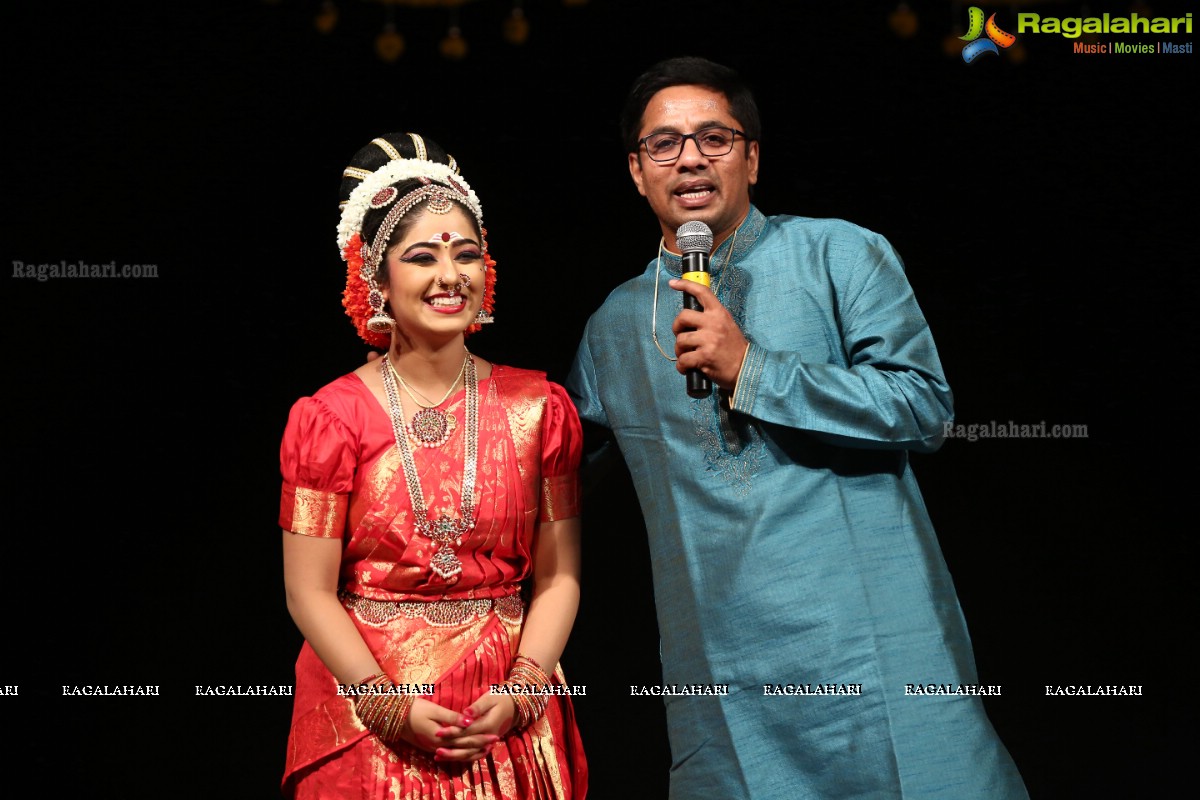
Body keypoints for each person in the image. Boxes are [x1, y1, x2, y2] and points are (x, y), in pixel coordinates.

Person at [567, 57, 1028, 799]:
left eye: (714, 137)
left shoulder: (839, 253)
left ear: (752, 157)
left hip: (874, 654)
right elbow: (549, 471)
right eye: (665, 144)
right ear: (635, 170)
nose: (690, 156)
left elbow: (923, 406)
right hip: (725, 688)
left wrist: (753, 369)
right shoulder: (614, 326)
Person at [278, 132, 587, 799]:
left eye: (467, 255)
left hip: (506, 710)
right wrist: (388, 705)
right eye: (423, 257)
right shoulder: (330, 419)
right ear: (376, 278)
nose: (452, 276)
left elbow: (560, 577)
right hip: (371, 713)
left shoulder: (541, 408)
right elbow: (307, 591)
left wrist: (525, 690)